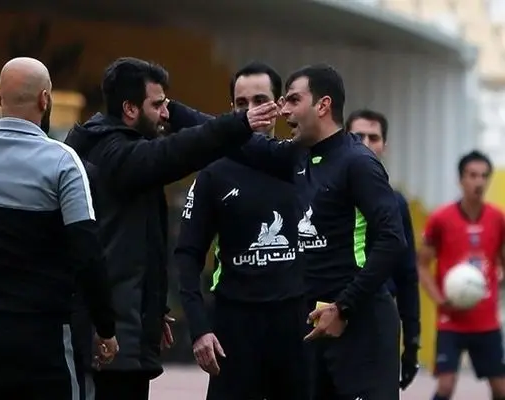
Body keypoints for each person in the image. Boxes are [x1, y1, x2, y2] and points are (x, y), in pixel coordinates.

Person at [167, 64, 406, 399]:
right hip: (315, 327)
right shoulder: (295, 157)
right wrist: (173, 111)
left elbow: (393, 240)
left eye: (293, 100)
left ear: (322, 105)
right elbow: (233, 141)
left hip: (361, 327)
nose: (284, 110)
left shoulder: (358, 163)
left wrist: (344, 306)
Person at [63, 57, 277, 400]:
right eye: (158, 105)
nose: (166, 114)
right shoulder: (112, 154)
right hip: (109, 341)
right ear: (130, 109)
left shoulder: (112, 147)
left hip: (125, 331)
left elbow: (133, 244)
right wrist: (238, 125)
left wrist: (152, 309)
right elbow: (173, 152)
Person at [0, 58, 118, 400]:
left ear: (0, 100)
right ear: (45, 99)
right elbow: (88, 252)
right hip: (45, 337)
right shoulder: (62, 162)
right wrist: (106, 328)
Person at [174, 62, 308, 400]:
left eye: (260, 101)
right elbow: (187, 254)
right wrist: (199, 329)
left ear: (279, 105)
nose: (251, 111)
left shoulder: (301, 163)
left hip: (295, 324)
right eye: (241, 104)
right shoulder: (213, 173)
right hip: (234, 326)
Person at [418, 150, 505, 400]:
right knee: (445, 386)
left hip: (486, 320)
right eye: (472, 175)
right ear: (460, 179)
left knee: (500, 389)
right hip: (451, 320)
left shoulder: (498, 218)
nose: (479, 182)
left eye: (484, 176)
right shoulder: (440, 218)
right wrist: (440, 300)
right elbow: (422, 265)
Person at [346, 108, 421, 390]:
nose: (365, 143)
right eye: (357, 136)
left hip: (379, 319)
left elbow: (407, 275)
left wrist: (412, 342)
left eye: (373, 137)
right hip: (330, 315)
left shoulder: (396, 203)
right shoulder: (324, 193)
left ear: (384, 146)